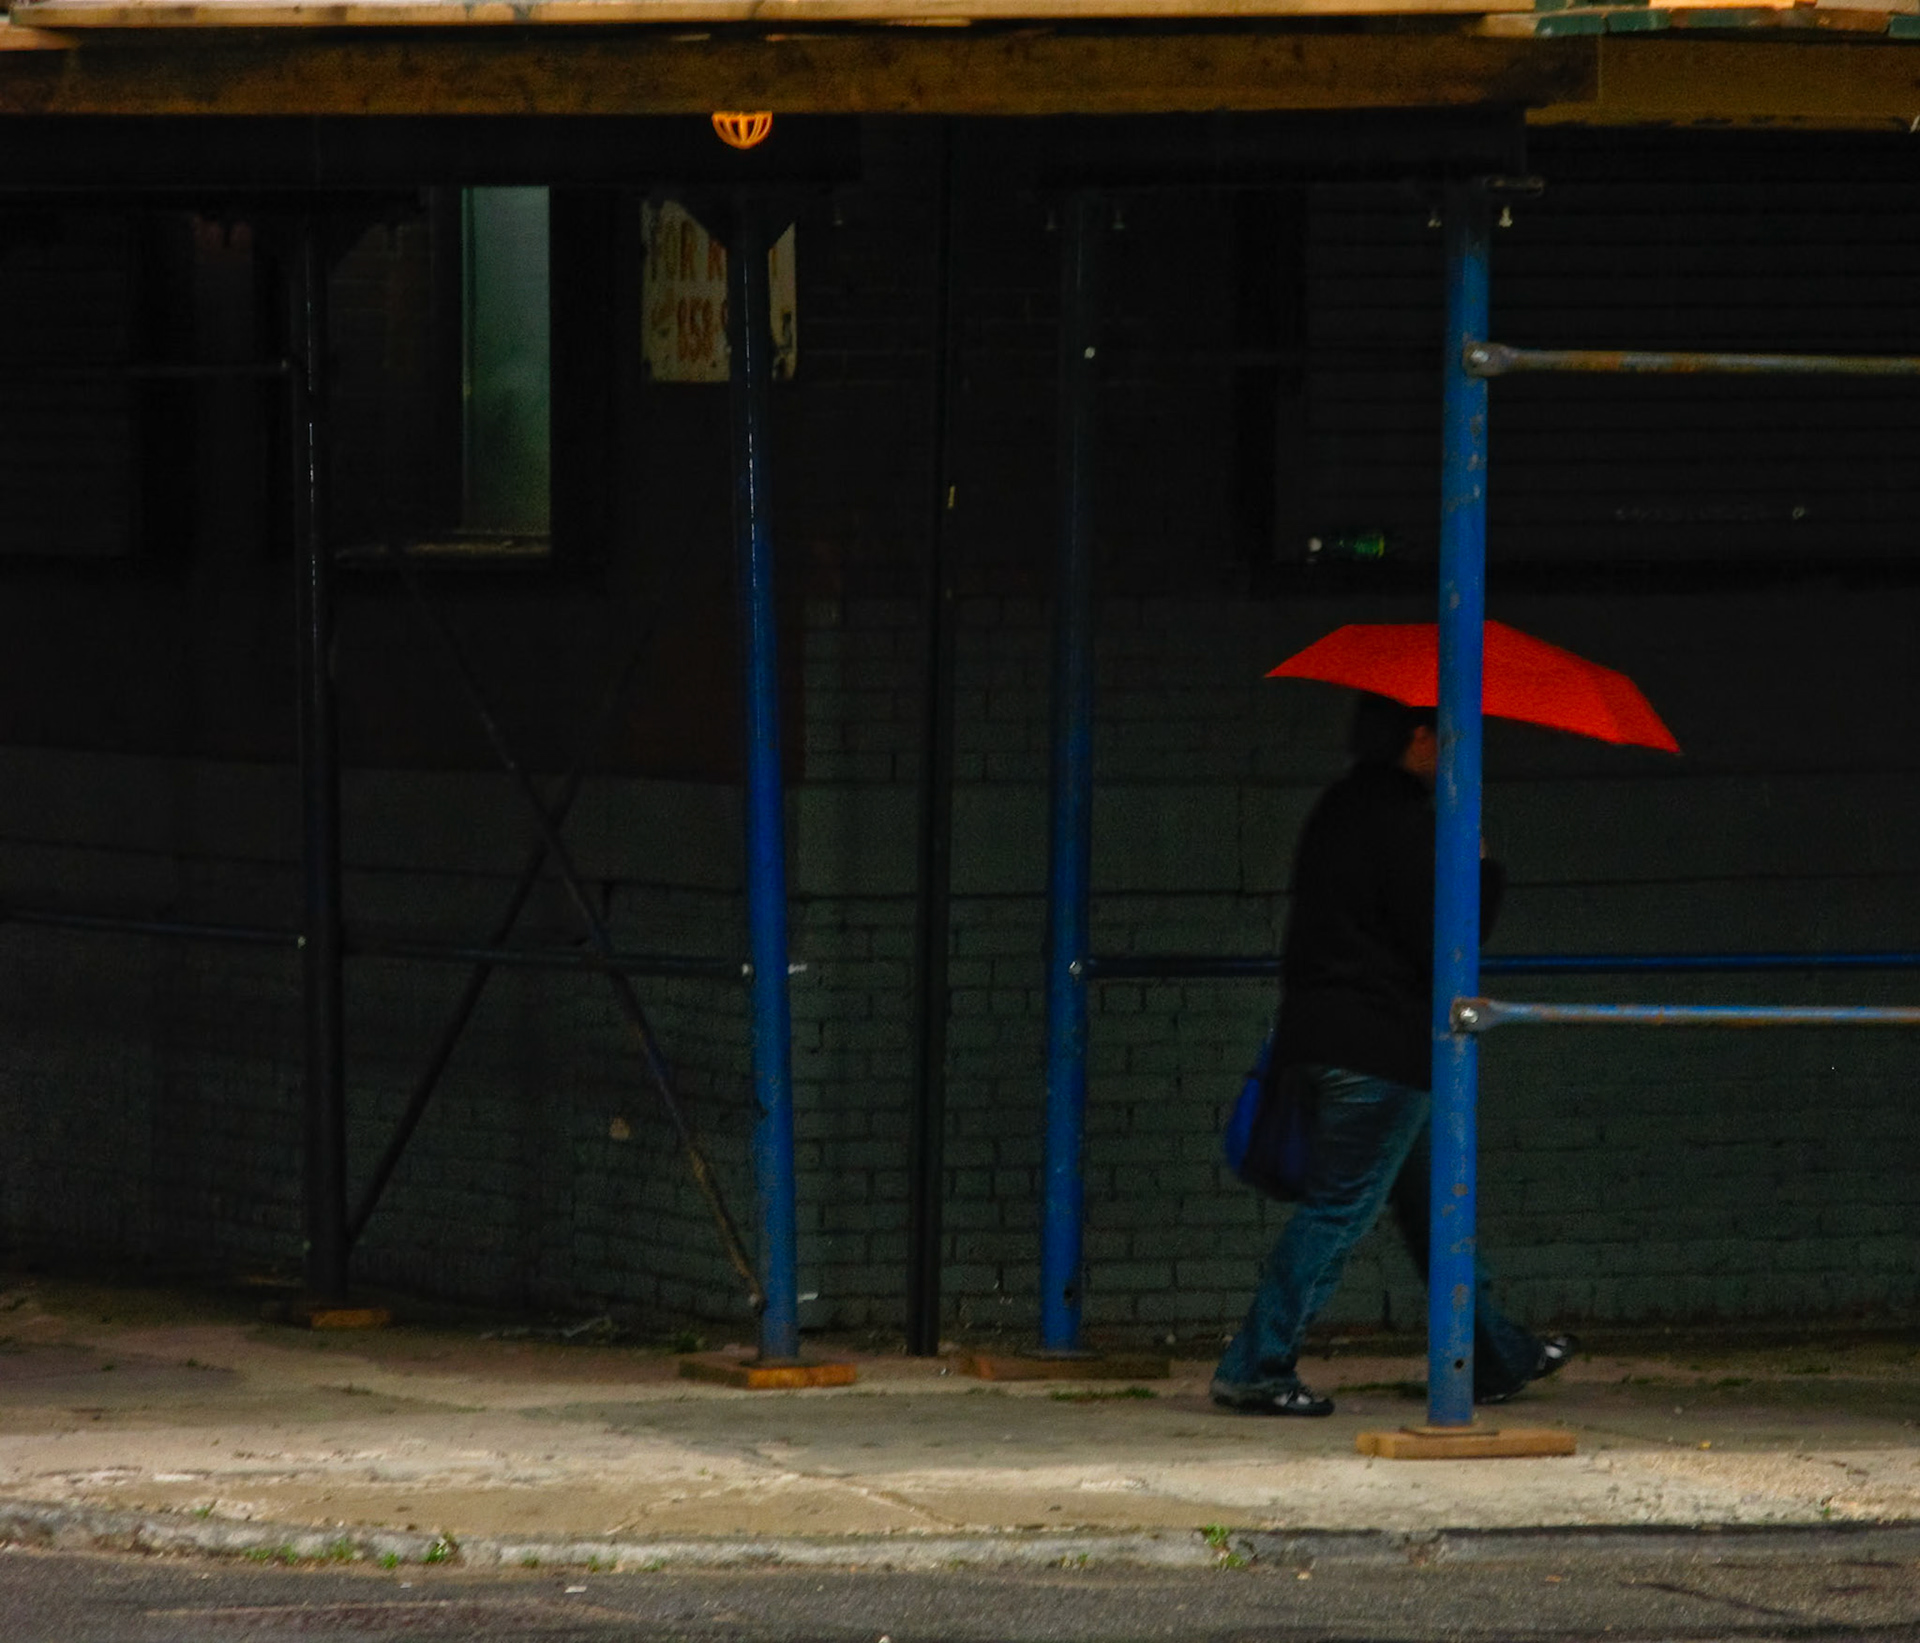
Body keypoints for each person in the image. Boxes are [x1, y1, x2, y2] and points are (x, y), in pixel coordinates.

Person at [1211, 693, 1573, 1417]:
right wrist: (1482, 867)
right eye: (1447, 738)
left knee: (1430, 1207)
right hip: (1379, 1055)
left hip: (1322, 1040)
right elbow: (1447, 938)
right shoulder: (1409, 823)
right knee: (1337, 1213)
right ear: (1418, 739)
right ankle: (1256, 1362)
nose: (1455, 753)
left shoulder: (1338, 810)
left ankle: (1496, 1353)